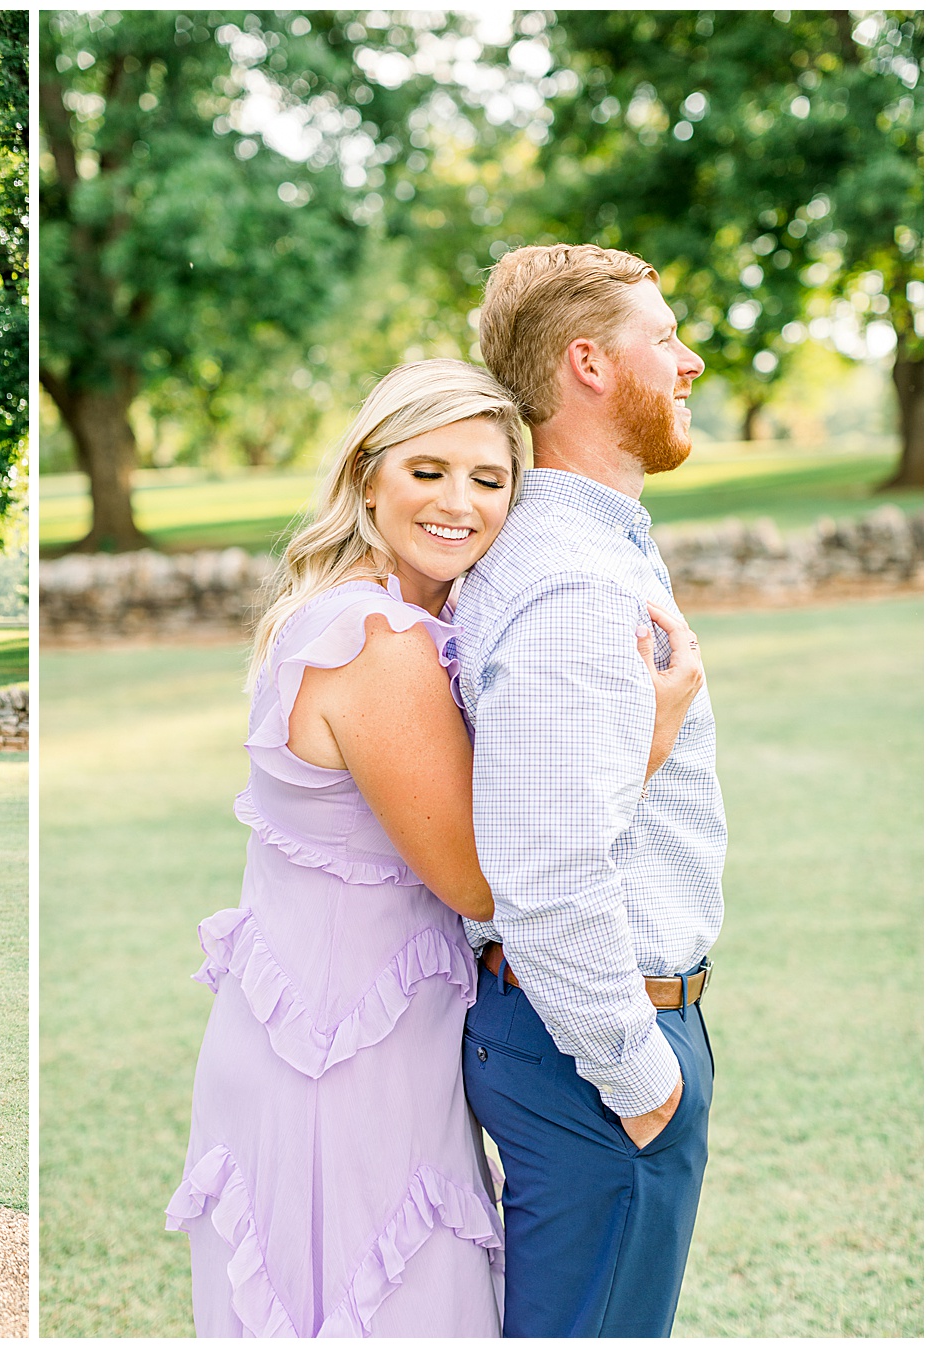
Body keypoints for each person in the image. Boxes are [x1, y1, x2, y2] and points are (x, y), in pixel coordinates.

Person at [165, 359, 702, 1335]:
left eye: (489, 480)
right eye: (428, 470)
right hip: (341, 1056)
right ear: (369, 476)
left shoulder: (395, 616)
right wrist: (649, 740)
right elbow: (479, 877)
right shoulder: (376, 642)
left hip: (376, 1029)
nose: (460, 503)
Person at [458, 243, 725, 1336]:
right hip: (596, 1053)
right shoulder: (573, 579)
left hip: (581, 1036)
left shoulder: (584, 547)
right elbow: (551, 870)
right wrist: (640, 1078)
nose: (691, 361)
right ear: (590, 365)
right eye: (664, 339)